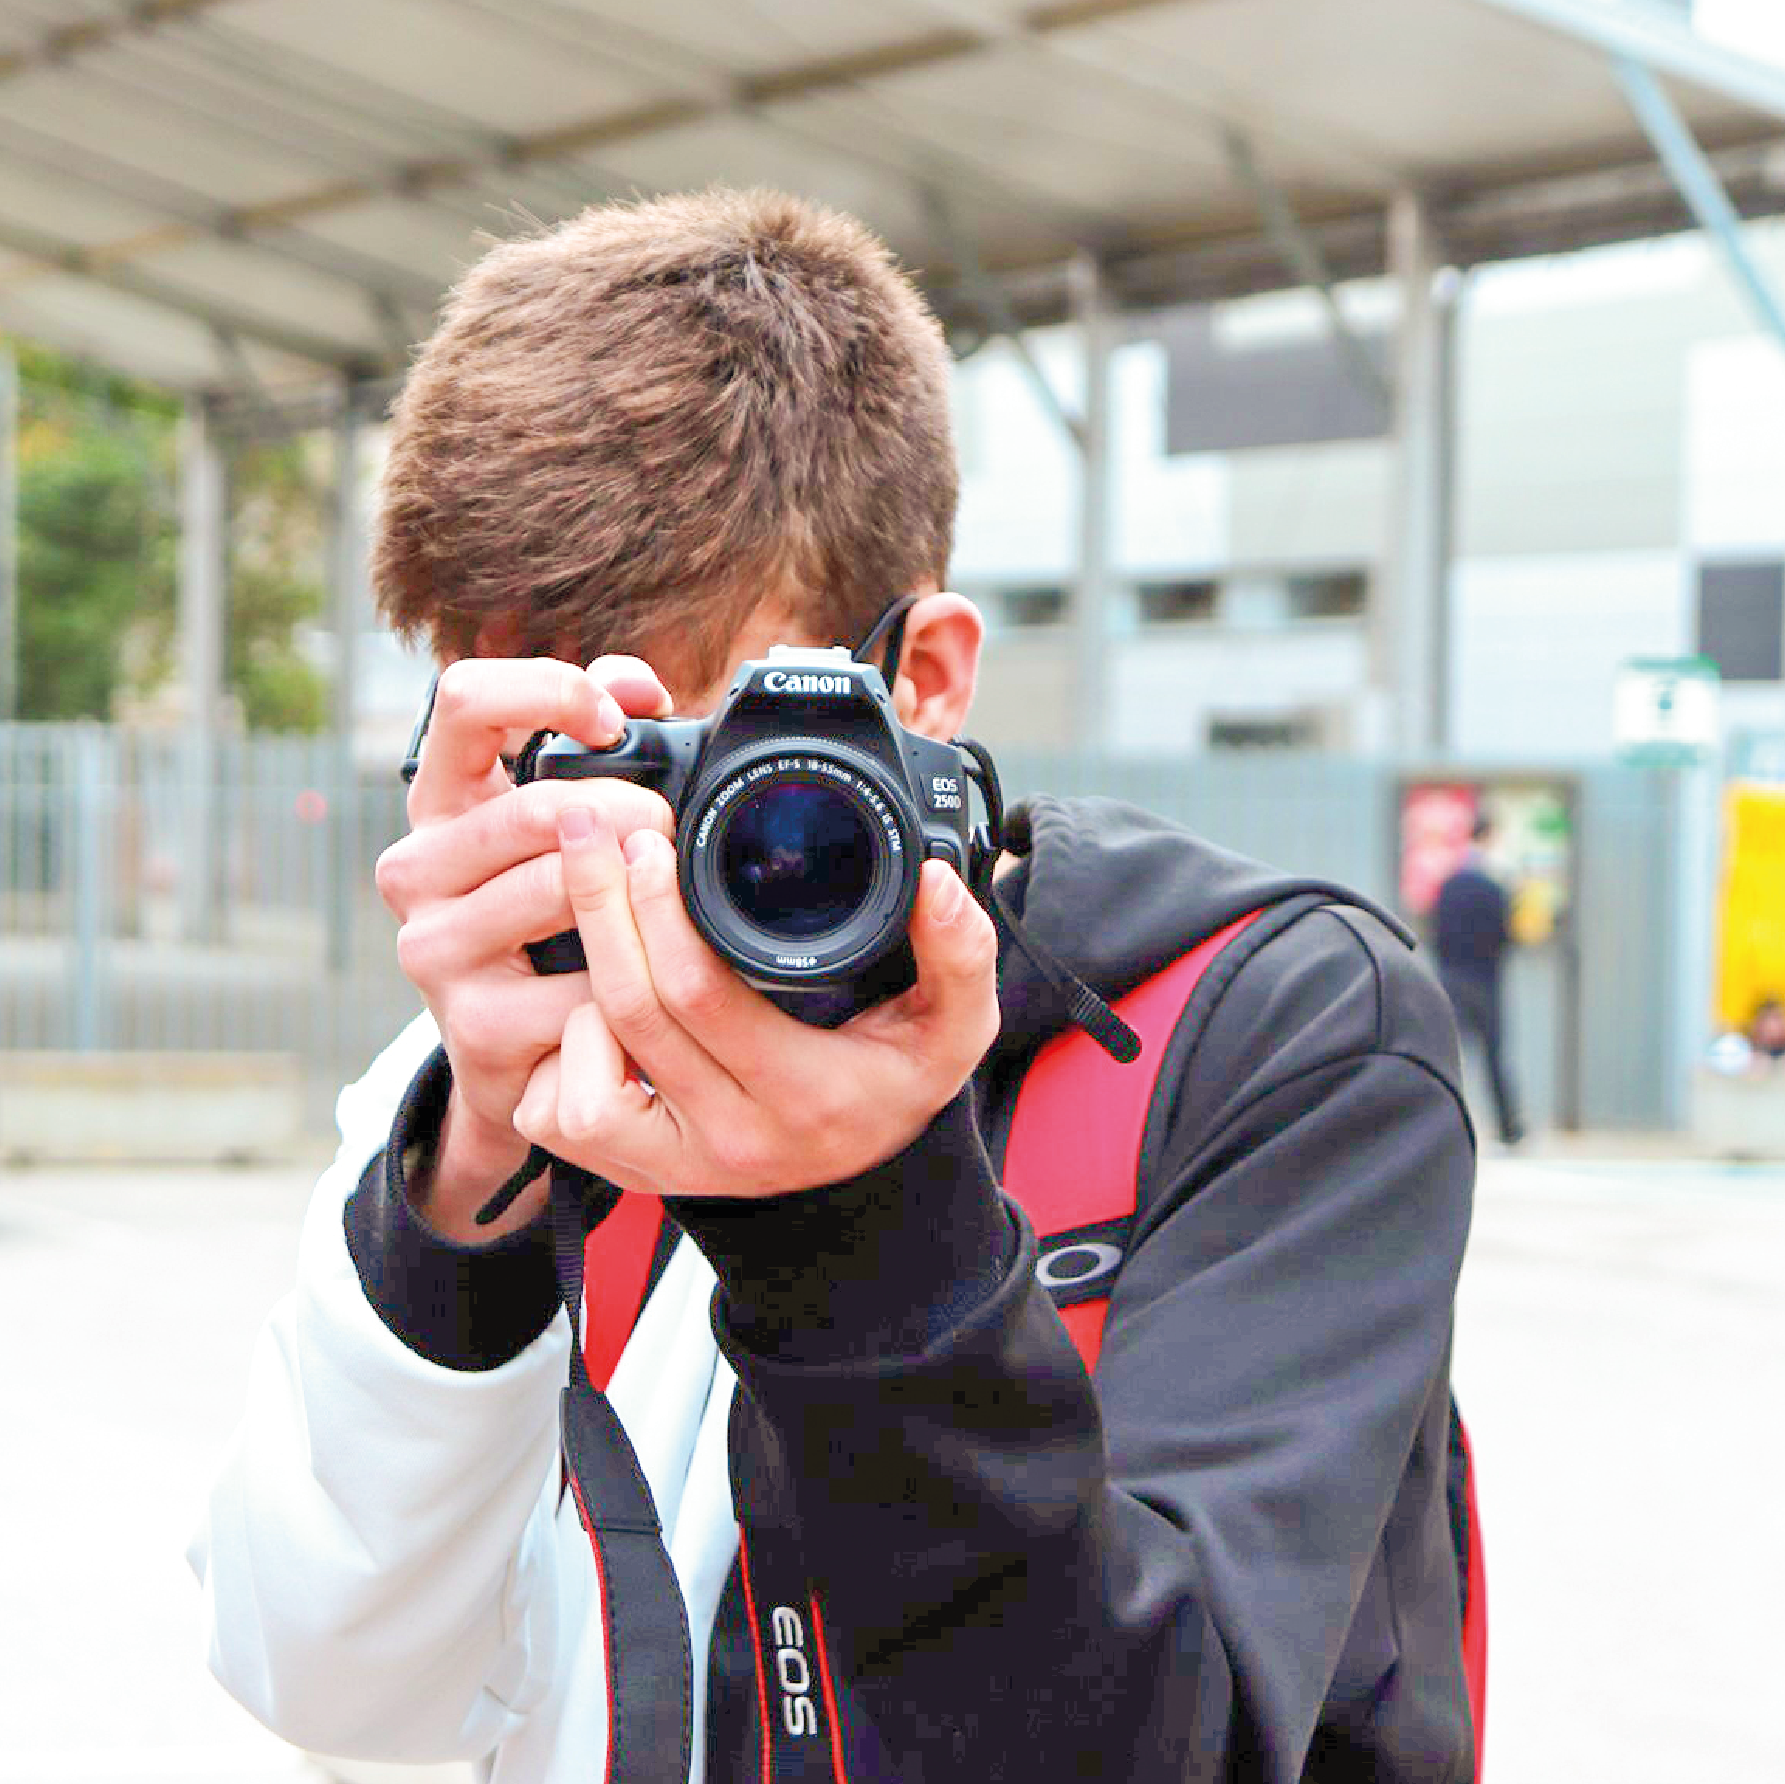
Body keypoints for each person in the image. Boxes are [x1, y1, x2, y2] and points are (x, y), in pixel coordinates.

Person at [190, 189, 1478, 1782]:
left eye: (720, 760)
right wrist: (463, 1191)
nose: (646, 858)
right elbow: (330, 1690)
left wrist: (867, 1228)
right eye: (573, 768)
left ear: (920, 681)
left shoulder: (1272, 1033)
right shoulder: (496, 1069)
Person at [1433, 814, 1525, 1149]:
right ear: (1488, 837)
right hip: (1485, 978)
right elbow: (1506, 936)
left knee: (1450, 1055)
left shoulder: (1449, 885)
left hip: (1450, 976)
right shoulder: (1495, 887)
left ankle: (1442, 1127)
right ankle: (1508, 1129)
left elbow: (1437, 932)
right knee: (1494, 1056)